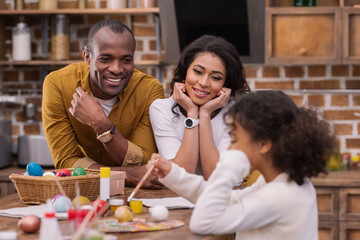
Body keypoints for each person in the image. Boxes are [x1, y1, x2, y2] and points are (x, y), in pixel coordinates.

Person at [148, 90, 336, 239]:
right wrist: (172, 174)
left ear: (263, 144)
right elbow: (228, 199)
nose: (230, 147)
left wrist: (228, 166)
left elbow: (203, 223)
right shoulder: (279, 182)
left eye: (235, 140)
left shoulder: (281, 196)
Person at [42, 19, 164, 189]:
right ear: (87, 57)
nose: (116, 68)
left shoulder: (149, 90)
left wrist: (101, 124)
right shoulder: (58, 85)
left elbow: (144, 161)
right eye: (105, 59)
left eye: (126, 60)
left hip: (137, 194)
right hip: (83, 191)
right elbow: (66, 161)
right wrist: (126, 175)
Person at [149, 35, 253, 180]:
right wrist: (192, 113)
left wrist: (204, 114)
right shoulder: (161, 109)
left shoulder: (237, 113)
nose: (204, 82)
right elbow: (180, 176)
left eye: (216, 77)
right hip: (176, 200)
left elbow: (216, 177)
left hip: (227, 197)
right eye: (198, 72)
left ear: (226, 84)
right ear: (185, 71)